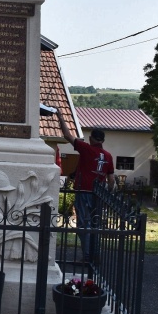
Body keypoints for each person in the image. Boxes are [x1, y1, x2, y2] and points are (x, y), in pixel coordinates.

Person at [55, 110, 115, 271]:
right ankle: (95, 254)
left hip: (84, 192)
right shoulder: (108, 156)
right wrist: (108, 194)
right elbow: (111, 178)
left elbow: (67, 136)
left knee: (84, 225)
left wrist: (61, 117)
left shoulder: (86, 149)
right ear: (102, 140)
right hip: (98, 195)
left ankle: (87, 257)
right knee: (95, 225)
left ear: (91, 139)